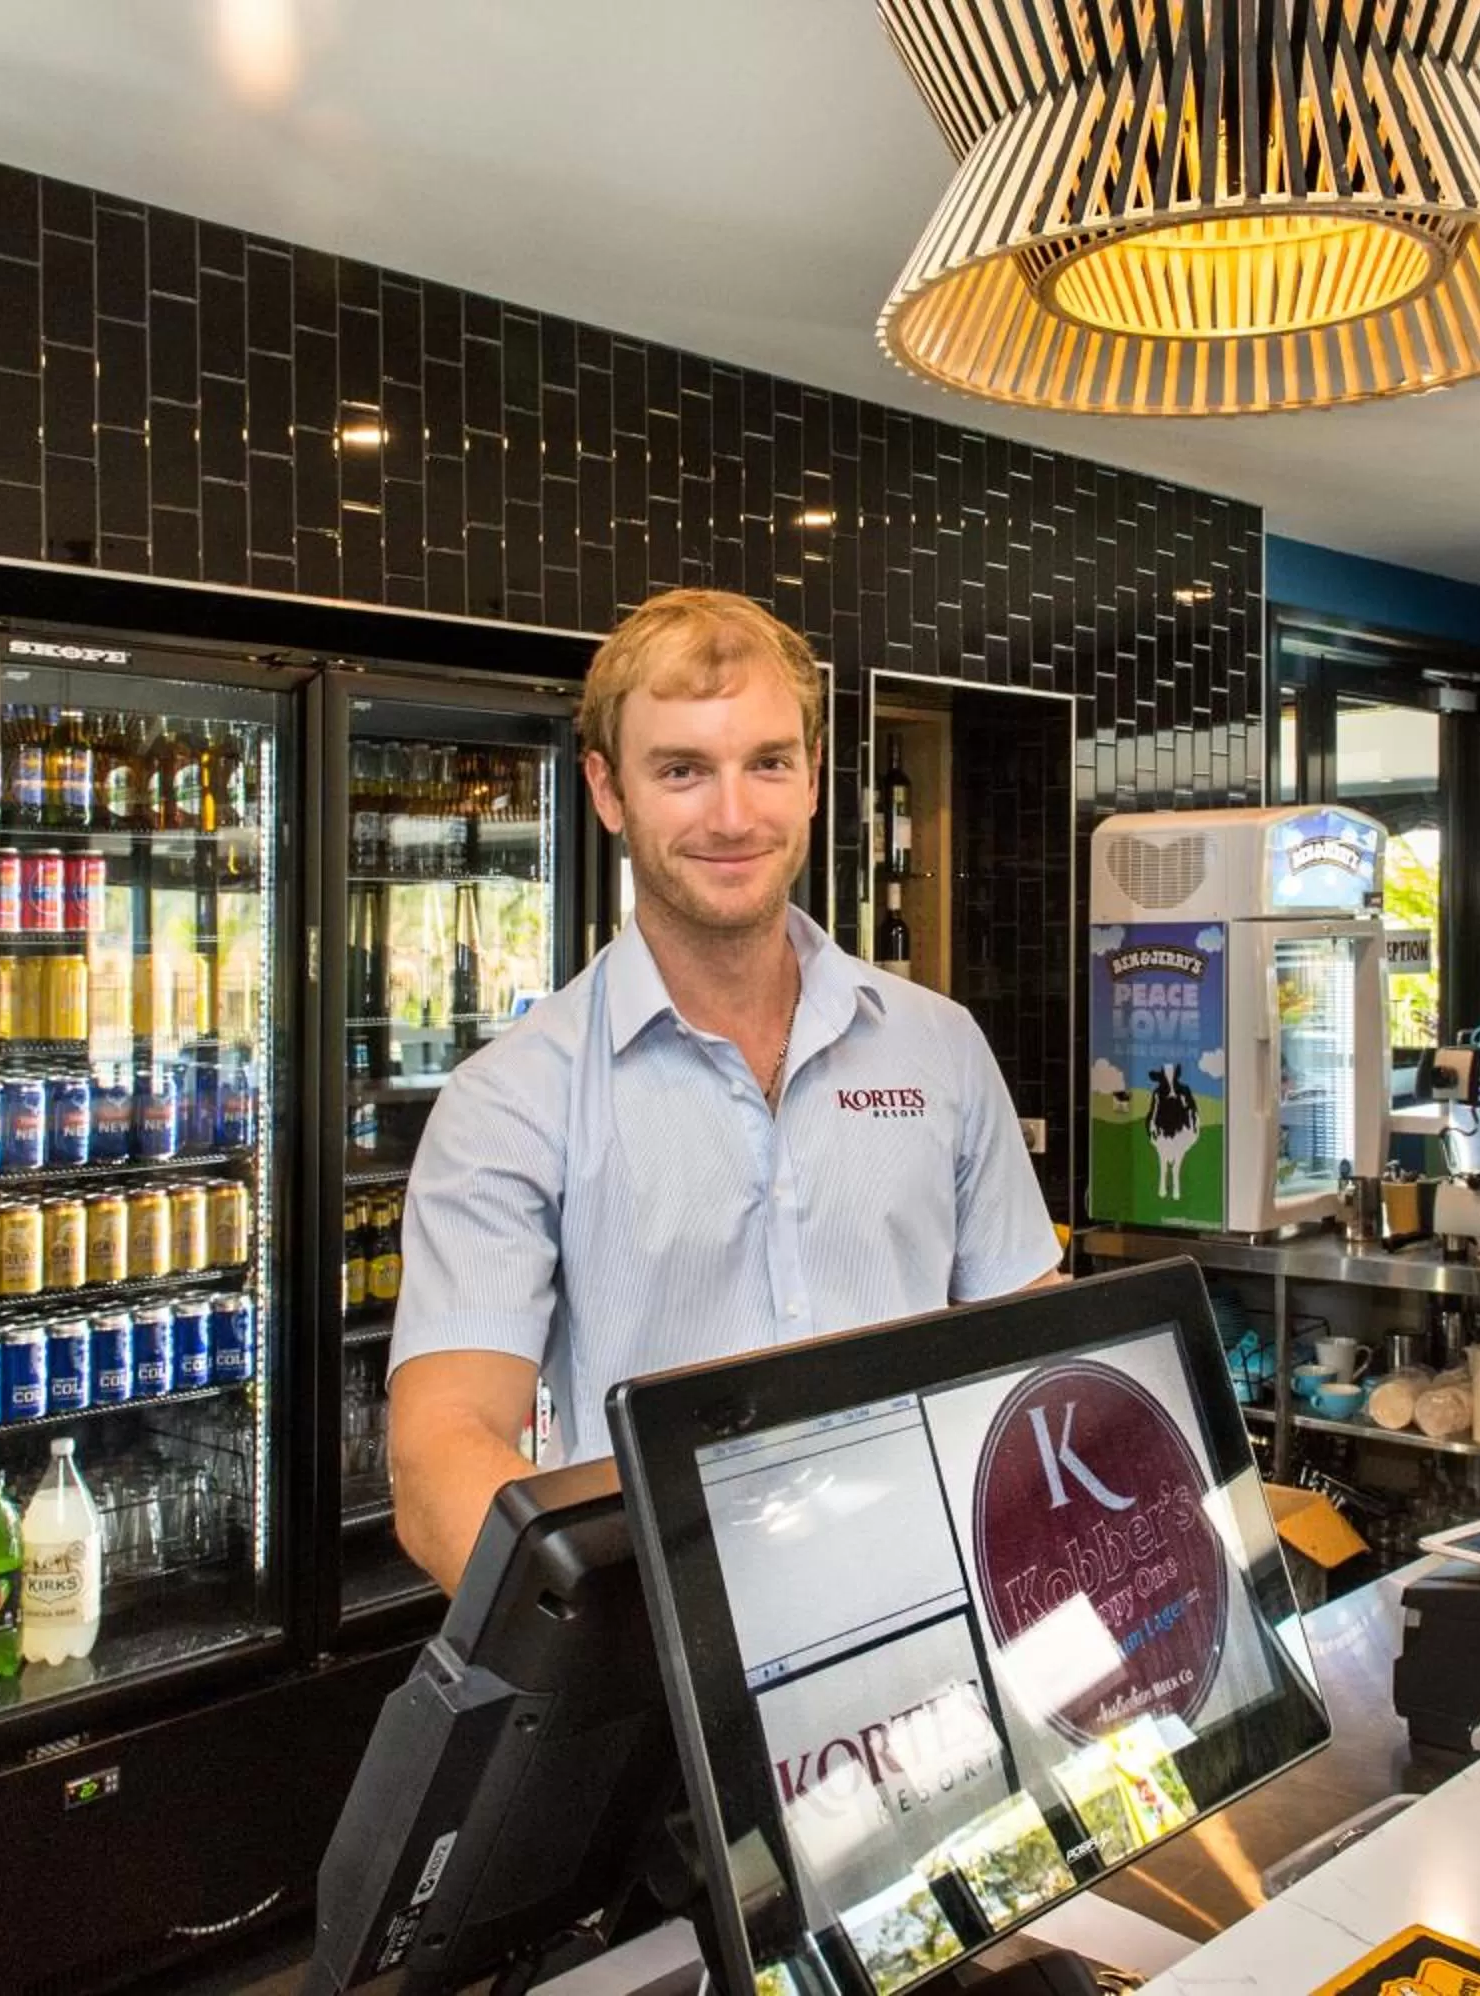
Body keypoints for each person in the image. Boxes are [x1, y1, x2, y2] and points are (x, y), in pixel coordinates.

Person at [387, 589, 1062, 1592]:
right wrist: (632, 1629)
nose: (735, 814)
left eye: (768, 763)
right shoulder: (512, 1099)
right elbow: (441, 1450)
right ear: (609, 792)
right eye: (683, 771)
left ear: (814, 780)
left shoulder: (939, 1048)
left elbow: (1038, 1349)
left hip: (938, 1638)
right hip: (665, 1677)